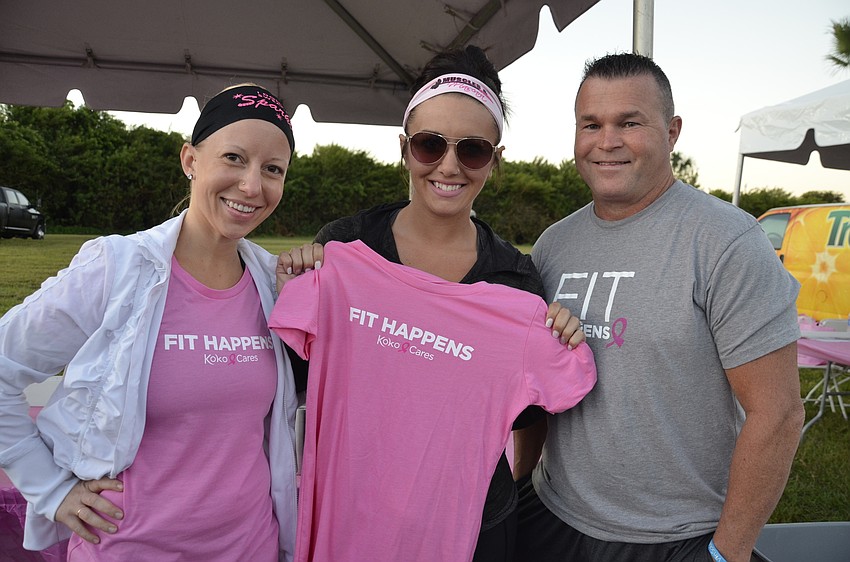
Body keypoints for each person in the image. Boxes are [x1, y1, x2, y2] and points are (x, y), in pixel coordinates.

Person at [275, 46, 592, 562]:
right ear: (404, 148)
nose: (449, 166)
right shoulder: (345, 250)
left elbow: (532, 422)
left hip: (470, 533)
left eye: (472, 150)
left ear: (495, 160)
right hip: (349, 522)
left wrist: (555, 334)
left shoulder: (513, 283)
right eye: (429, 145)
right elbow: (286, 380)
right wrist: (300, 280)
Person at [513, 53, 805, 562]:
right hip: (555, 518)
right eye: (591, 124)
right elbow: (540, 392)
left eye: (630, 122)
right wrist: (520, 489)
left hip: (679, 539)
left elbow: (777, 414)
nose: (607, 141)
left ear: (672, 132)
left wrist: (725, 554)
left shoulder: (726, 242)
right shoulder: (552, 246)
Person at [0, 84, 300, 561]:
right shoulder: (117, 268)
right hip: (129, 548)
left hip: (249, 547)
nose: (252, 186)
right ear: (190, 160)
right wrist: (51, 490)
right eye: (234, 158)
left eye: (272, 169)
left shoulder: (273, 283)